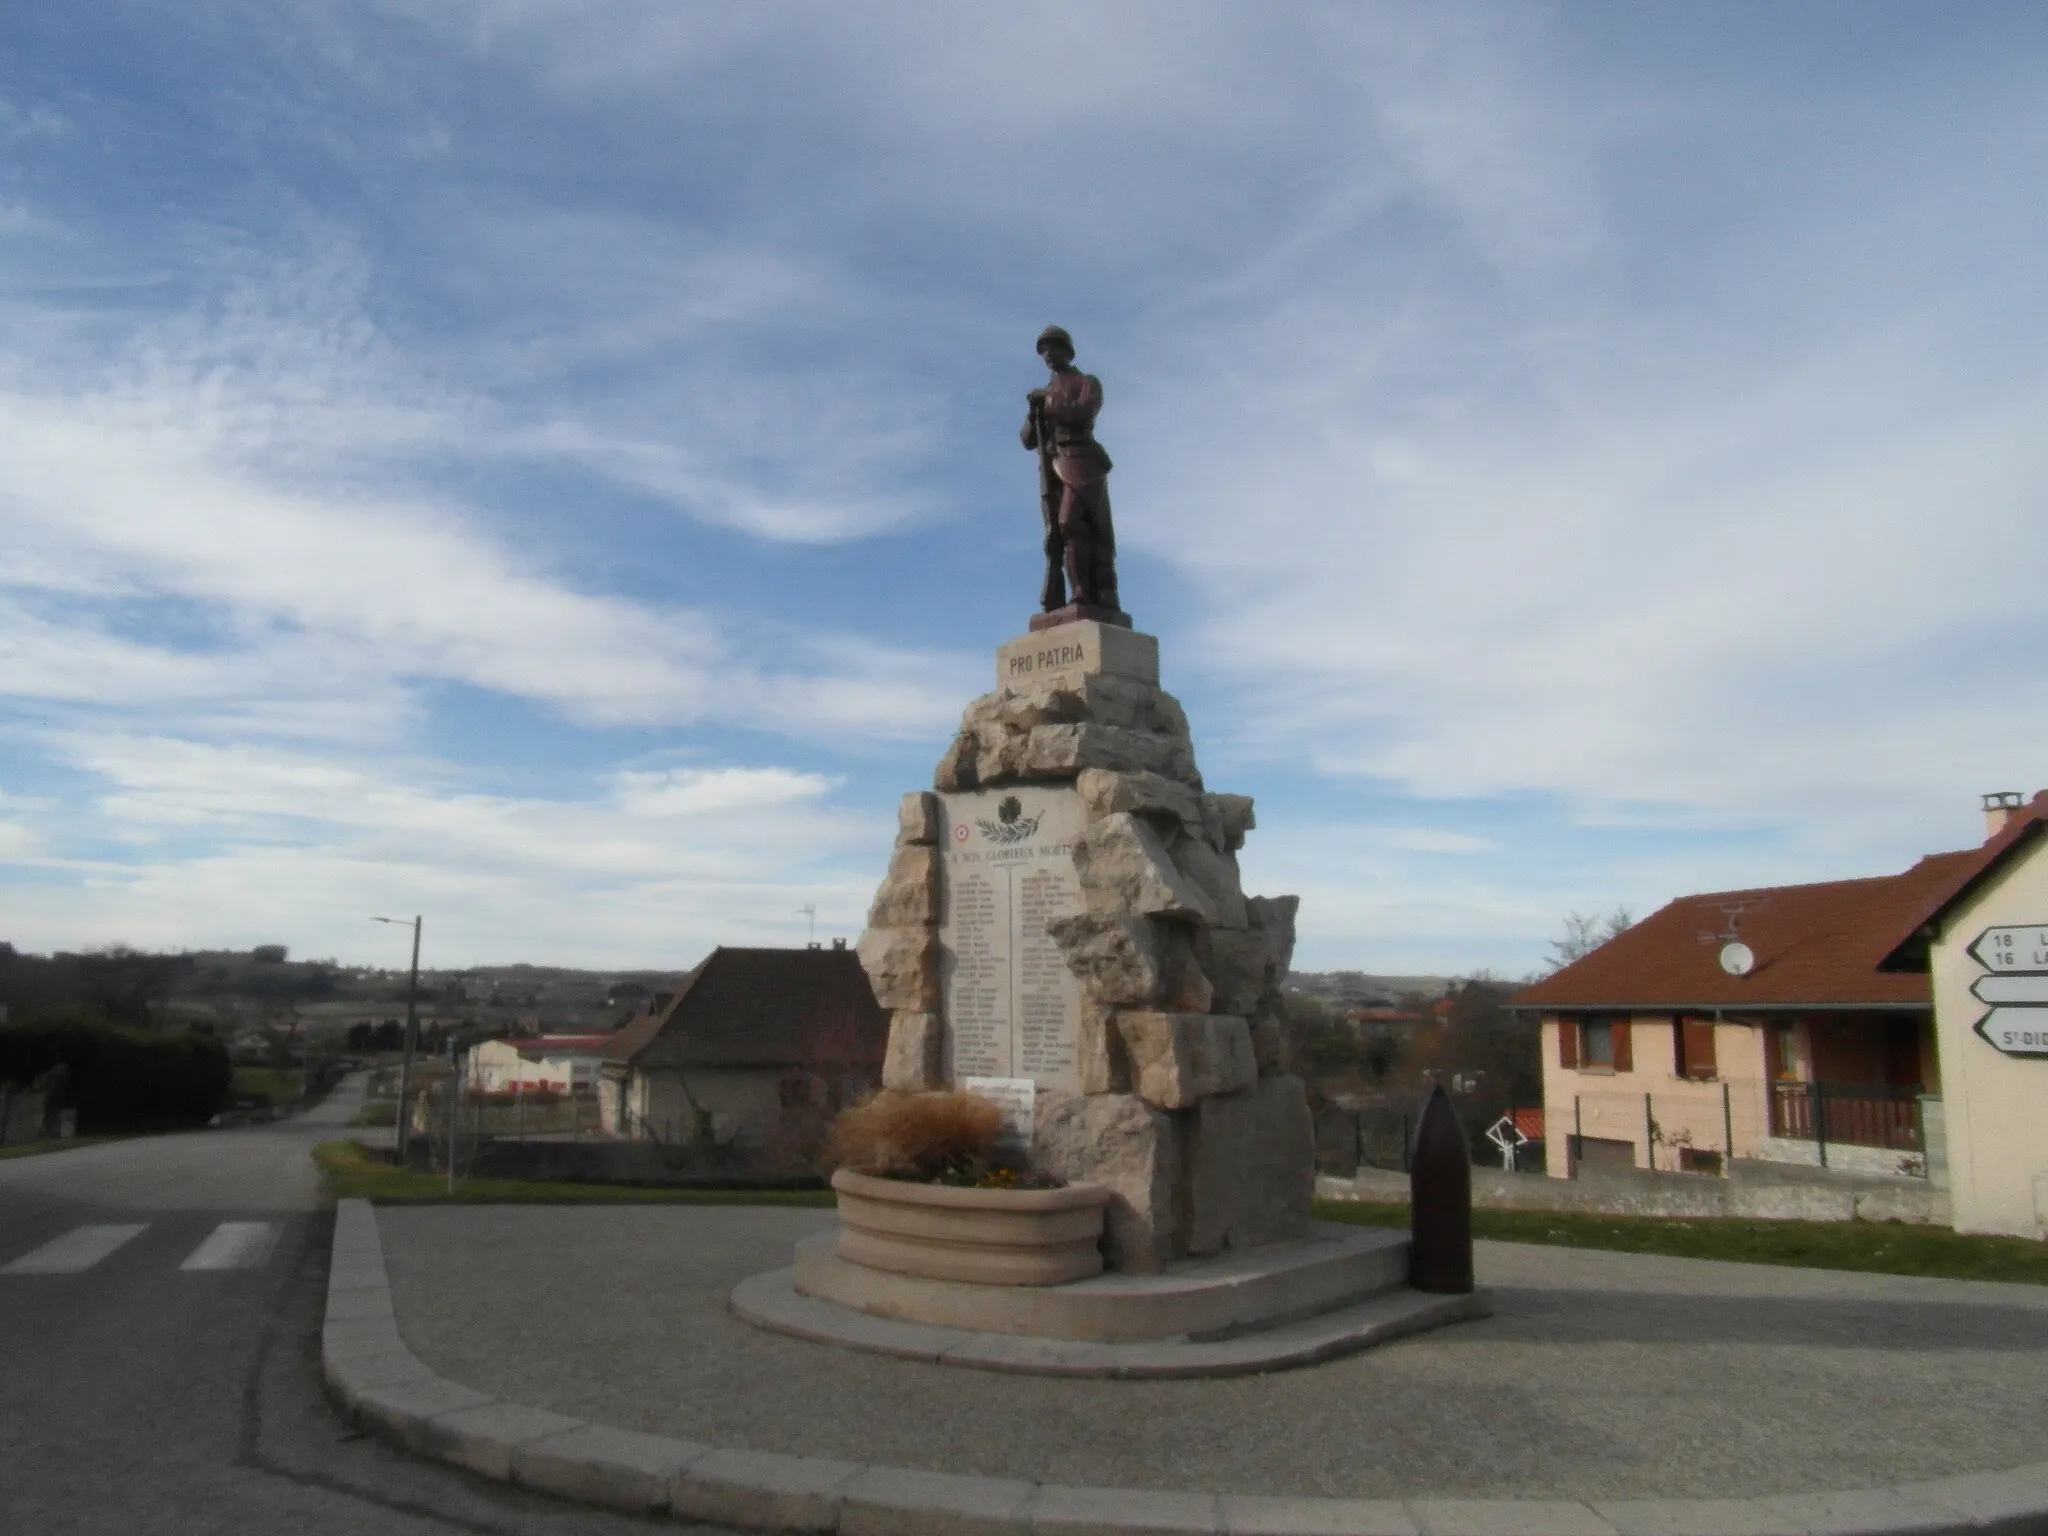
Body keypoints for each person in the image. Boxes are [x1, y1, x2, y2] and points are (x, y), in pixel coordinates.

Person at [1022, 325, 1120, 613]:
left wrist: (1048, 403)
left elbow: (1083, 412)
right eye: (1044, 351)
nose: (1049, 355)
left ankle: (1083, 592)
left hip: (1081, 461)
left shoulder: (1087, 383)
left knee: (1070, 523)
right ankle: (1074, 591)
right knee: (1059, 535)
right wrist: (1033, 414)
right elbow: (1028, 439)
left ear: (1068, 351)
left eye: (1054, 348)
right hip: (1052, 468)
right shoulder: (1044, 394)